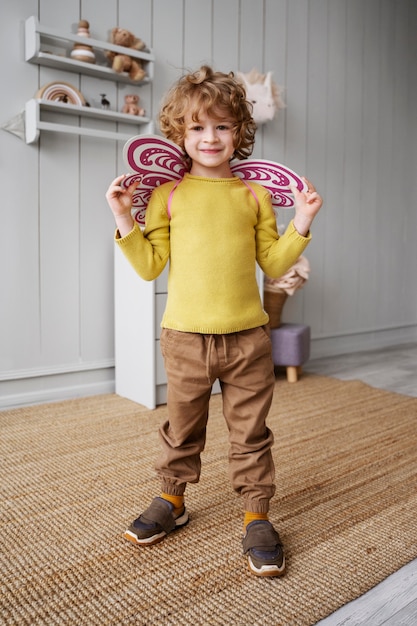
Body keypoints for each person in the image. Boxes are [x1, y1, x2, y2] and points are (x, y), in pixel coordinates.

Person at [105, 65, 322, 577]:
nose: (210, 137)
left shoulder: (255, 196)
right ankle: (173, 500)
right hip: (183, 338)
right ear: (179, 134)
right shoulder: (167, 196)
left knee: (251, 433)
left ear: (239, 133)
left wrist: (304, 223)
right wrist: (122, 219)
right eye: (198, 127)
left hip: (248, 337)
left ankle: (257, 515)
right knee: (182, 429)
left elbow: (272, 263)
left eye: (222, 126)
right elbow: (149, 266)